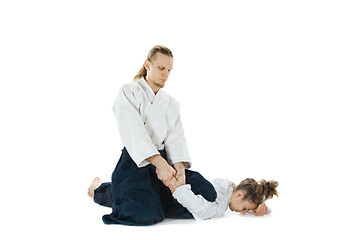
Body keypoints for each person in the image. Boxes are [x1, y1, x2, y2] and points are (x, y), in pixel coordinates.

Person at [98, 45, 218, 226]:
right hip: (136, 162)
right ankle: (103, 190)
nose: (166, 74)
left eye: (169, 70)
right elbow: (134, 132)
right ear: (147, 64)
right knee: (146, 215)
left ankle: (144, 196)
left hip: (166, 163)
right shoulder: (128, 92)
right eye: (161, 68)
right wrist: (160, 164)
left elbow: (176, 138)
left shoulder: (170, 102)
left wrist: (180, 171)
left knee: (207, 193)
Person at [88, 176, 279, 220]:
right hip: (176, 199)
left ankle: (103, 187)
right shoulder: (220, 203)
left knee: (140, 192)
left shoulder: (227, 186)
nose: (242, 213)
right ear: (240, 195)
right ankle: (98, 191)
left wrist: (261, 210)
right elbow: (202, 210)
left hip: (176, 193)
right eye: (245, 208)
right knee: (135, 200)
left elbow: (248, 203)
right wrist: (178, 189)